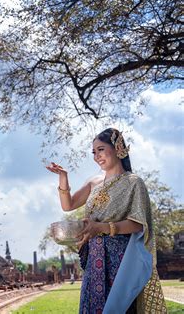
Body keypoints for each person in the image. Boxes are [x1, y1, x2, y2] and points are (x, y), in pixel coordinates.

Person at [46, 128, 166, 313]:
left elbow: (139, 224)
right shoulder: (94, 182)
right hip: (94, 256)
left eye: (101, 149)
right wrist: (63, 177)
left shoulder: (134, 182)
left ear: (118, 148)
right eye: (94, 152)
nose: (96, 156)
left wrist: (102, 227)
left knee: (118, 307)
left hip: (120, 259)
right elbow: (68, 205)